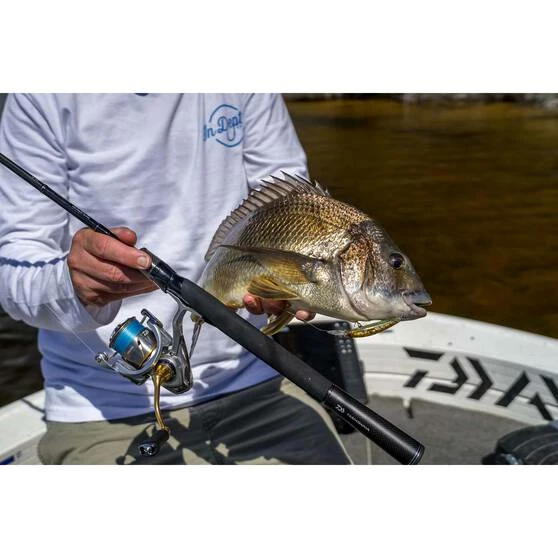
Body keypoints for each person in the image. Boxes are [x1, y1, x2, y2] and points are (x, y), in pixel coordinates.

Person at [0, 93, 351, 465]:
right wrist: (76, 287)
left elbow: (295, 208)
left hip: (257, 379)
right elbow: (13, 273)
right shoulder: (39, 97)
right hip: (105, 409)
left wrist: (289, 288)